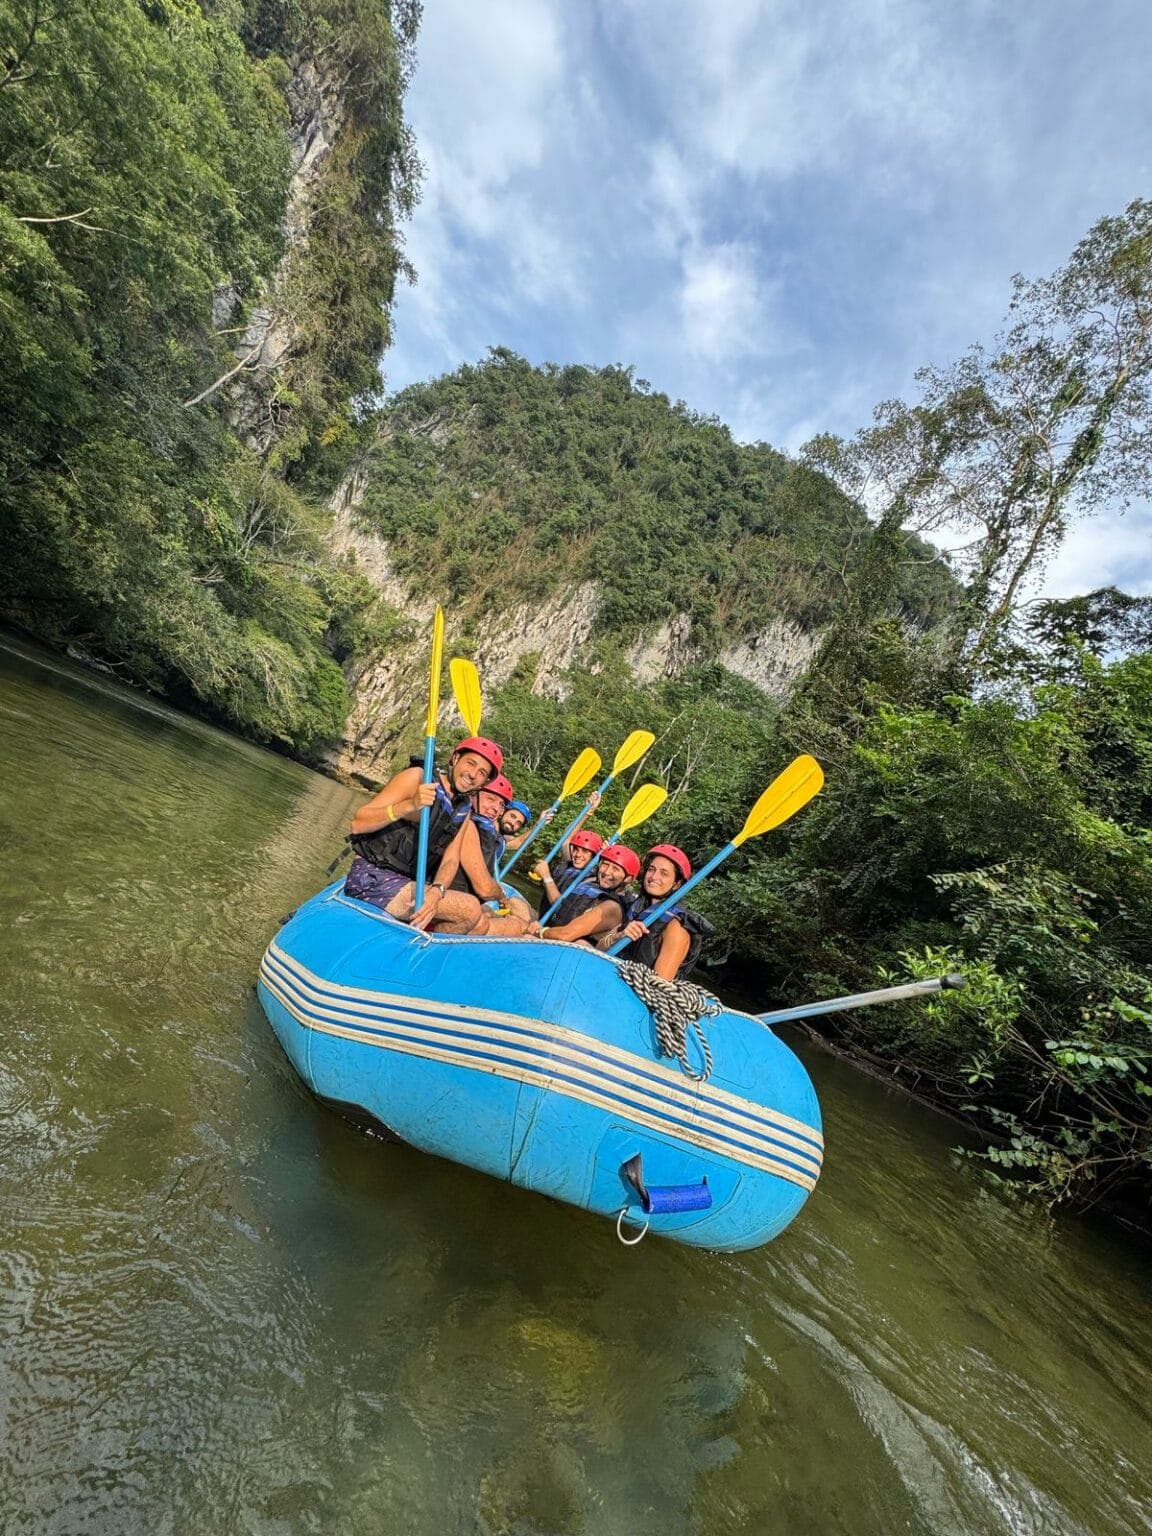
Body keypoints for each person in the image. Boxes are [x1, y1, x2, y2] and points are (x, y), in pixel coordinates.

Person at [344, 736, 520, 933]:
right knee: (469, 909)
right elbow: (358, 824)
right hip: (372, 877)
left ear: (484, 781)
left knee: (475, 918)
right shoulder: (418, 778)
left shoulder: (463, 809)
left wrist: (437, 891)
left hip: (410, 883)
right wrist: (409, 805)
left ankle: (418, 944)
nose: (472, 774)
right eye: (470, 763)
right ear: (455, 759)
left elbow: (450, 860)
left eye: (482, 773)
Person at [613, 845, 713, 980]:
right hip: (614, 973)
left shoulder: (676, 928)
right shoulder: (637, 907)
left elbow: (659, 984)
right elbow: (602, 947)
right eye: (651, 869)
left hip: (636, 987)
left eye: (664, 873)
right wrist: (620, 935)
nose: (654, 877)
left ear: (677, 884)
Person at [541, 845, 641, 947]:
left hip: (569, 948)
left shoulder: (612, 907)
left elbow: (565, 935)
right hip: (555, 939)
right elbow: (561, 906)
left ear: (628, 878)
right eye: (605, 864)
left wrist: (540, 931)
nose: (606, 872)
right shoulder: (589, 884)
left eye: (615, 869)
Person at [531, 828, 604, 915]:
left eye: (585, 851)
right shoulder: (569, 864)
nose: (578, 855)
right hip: (541, 915)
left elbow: (560, 907)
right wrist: (584, 818)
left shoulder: (590, 881)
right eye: (576, 849)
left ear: (594, 856)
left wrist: (546, 876)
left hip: (554, 922)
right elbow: (567, 837)